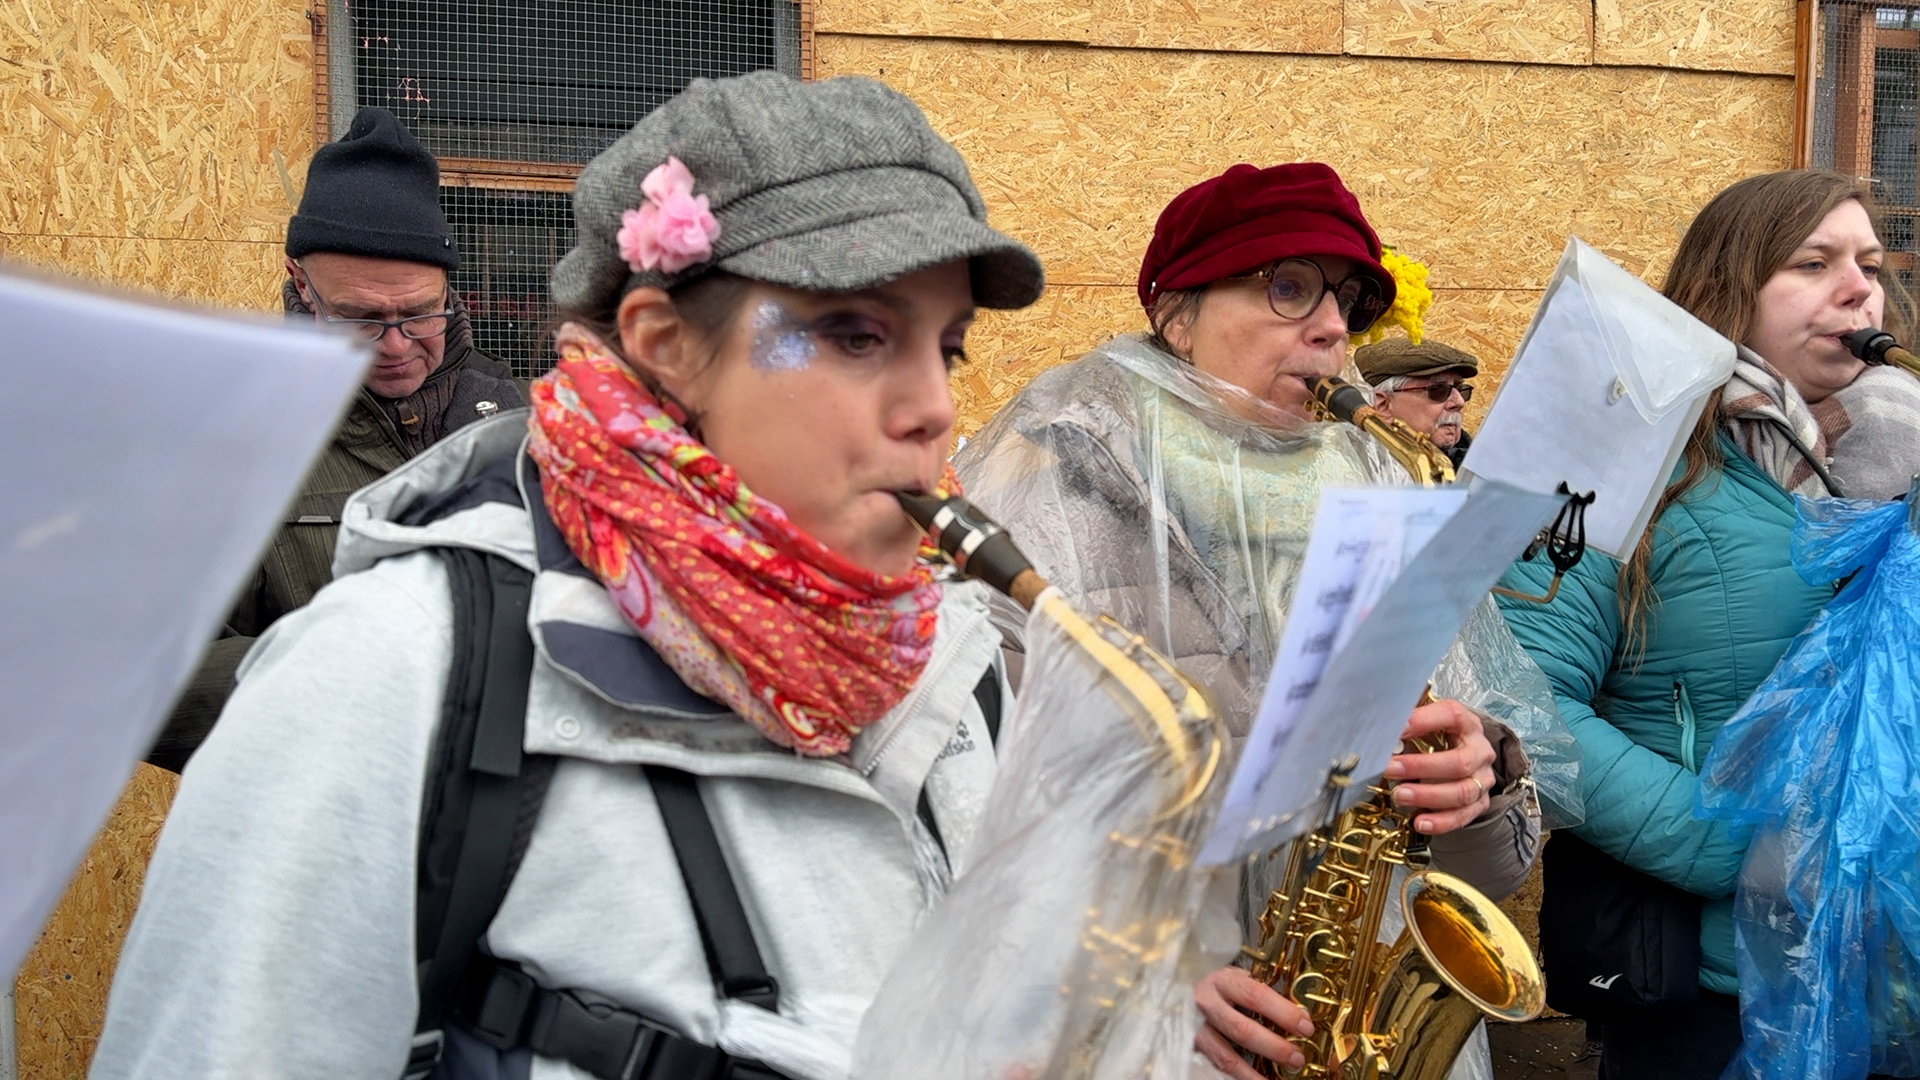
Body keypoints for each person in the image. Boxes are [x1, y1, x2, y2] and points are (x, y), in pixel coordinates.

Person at [91, 71, 1044, 1079]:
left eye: (948, 348)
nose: (935, 408)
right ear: (665, 345)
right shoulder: (389, 666)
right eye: (857, 334)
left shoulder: (954, 662)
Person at [955, 162, 1552, 1080]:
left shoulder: (1385, 484)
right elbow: (964, 812)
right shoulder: (1049, 494)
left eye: (1347, 300)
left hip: (1359, 1028)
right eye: (1286, 287)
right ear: (1176, 313)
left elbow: (1487, 861)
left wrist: (1483, 775)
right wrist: (1139, 973)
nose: (1330, 327)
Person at [1496, 168, 1915, 1077]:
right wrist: (1726, 843)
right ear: (1727, 290)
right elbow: (1519, 690)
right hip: (1715, 986)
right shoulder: (1622, 456)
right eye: (1813, 262)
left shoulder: (1905, 457)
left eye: (1870, 265)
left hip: (1884, 967)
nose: (1858, 287)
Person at [148, 106, 524, 773]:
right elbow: (148, 677)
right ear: (302, 285)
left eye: (419, 313)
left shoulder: (516, 426)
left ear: (449, 285)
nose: (397, 346)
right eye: (360, 319)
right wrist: (348, 676)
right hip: (316, 828)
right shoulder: (235, 443)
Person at [1355, 334, 1478, 468]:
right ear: (1383, 405)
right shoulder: (1345, 475)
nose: (1459, 402)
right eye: (1438, 390)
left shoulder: (1477, 476)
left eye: (1460, 389)